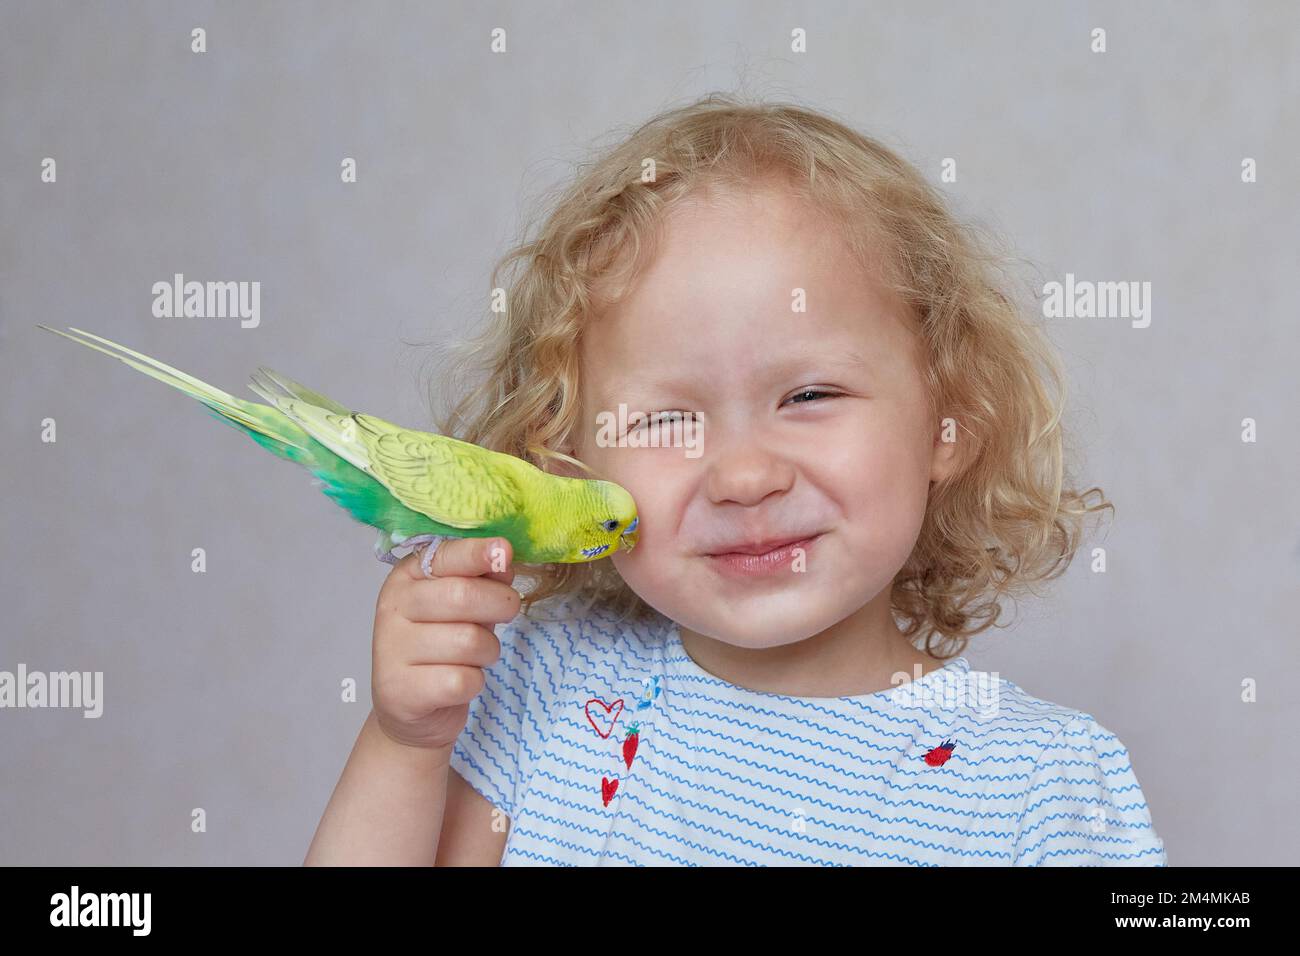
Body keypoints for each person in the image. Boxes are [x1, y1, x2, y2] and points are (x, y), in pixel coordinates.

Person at [304, 93, 1167, 866]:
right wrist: (404, 743)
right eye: (668, 419)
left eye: (810, 394)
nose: (746, 476)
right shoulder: (541, 690)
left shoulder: (1042, 788)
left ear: (951, 423)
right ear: (571, 460)